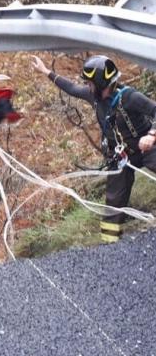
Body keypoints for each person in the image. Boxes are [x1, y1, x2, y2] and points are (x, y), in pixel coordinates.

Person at [30, 54, 156, 243]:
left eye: (90, 83)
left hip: (146, 147)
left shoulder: (130, 97)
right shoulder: (93, 96)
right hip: (121, 155)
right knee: (114, 202)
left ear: (102, 84)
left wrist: (152, 135)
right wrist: (46, 71)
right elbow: (72, 88)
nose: (88, 87)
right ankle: (109, 245)